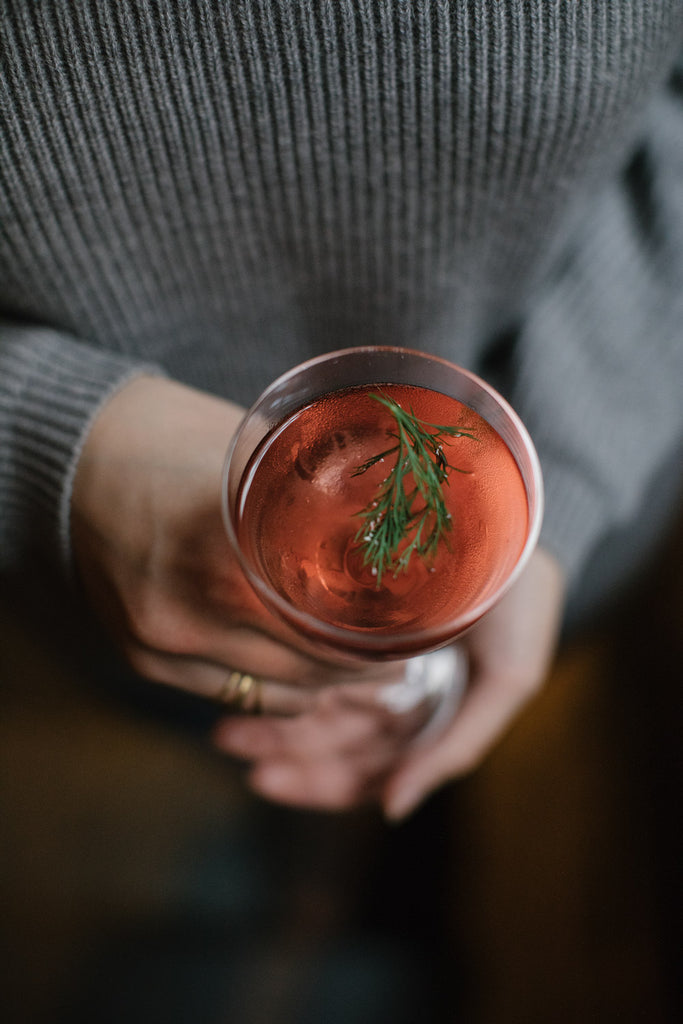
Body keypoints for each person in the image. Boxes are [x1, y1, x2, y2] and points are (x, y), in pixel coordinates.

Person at [2, 1, 682, 822]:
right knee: (245, 767)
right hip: (122, 584)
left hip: (567, 528)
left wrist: (570, 465)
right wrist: (38, 428)